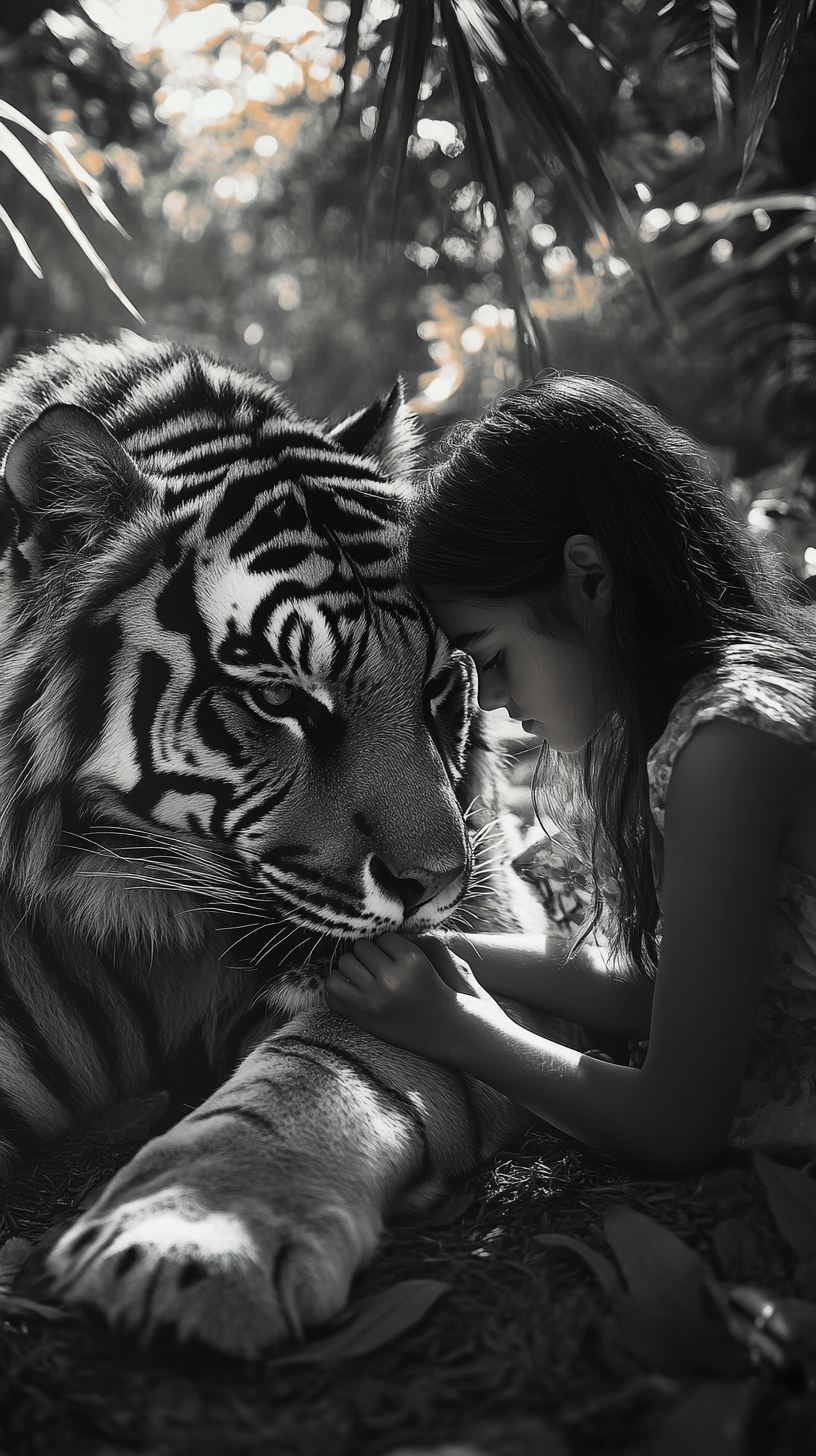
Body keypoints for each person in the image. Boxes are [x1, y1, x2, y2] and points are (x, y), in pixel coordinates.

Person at [325, 373, 816, 1173]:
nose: (495, 702)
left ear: (589, 577)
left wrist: (458, 1031)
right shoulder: (693, 729)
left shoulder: (730, 747)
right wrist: (452, 955)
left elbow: (676, 1124)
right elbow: (652, 988)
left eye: (492, 656)